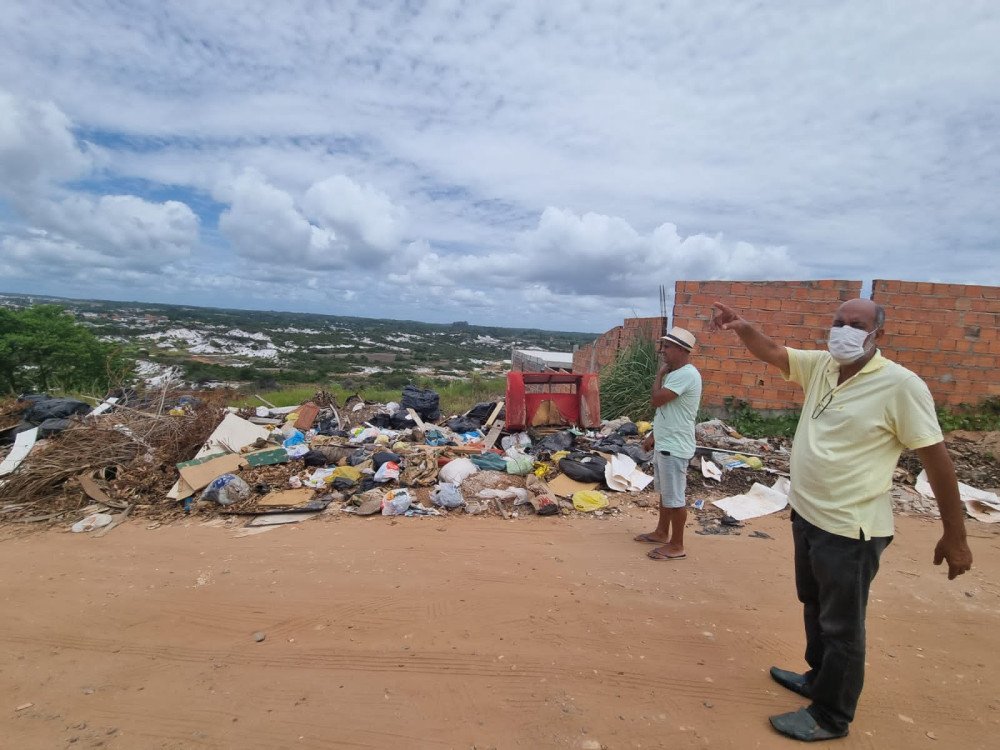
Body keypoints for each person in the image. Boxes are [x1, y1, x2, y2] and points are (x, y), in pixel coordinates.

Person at [711, 298, 973, 742]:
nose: (845, 331)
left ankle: (832, 715)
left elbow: (937, 460)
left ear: (878, 335)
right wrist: (743, 328)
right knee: (813, 605)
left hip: (851, 529)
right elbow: (774, 353)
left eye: (857, 325)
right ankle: (817, 679)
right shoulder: (822, 366)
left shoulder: (901, 386)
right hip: (809, 515)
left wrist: (956, 534)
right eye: (839, 322)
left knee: (843, 626)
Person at [635, 326, 702, 561]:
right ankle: (662, 532)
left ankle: (677, 545)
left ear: (683, 350)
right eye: (663, 346)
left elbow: (656, 400)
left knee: (675, 498)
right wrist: (654, 435)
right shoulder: (677, 373)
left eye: (668, 347)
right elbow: (666, 411)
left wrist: (658, 376)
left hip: (675, 446)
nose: (663, 351)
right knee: (666, 494)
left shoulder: (685, 374)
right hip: (666, 442)